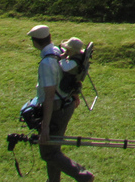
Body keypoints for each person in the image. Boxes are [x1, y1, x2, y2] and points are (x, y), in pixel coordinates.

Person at [28, 25, 95, 182]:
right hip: (67, 104)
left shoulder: (46, 63)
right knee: (54, 149)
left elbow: (49, 97)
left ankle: (84, 176)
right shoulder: (58, 52)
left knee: (48, 153)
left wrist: (45, 127)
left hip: (56, 110)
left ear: (35, 42)